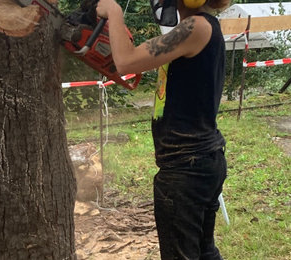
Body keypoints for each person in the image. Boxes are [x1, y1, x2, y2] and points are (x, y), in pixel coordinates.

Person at [96, 0, 230, 259]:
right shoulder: (202, 27)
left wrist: (113, 12)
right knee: (204, 252)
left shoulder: (195, 27)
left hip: (186, 170)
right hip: (201, 162)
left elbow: (125, 61)